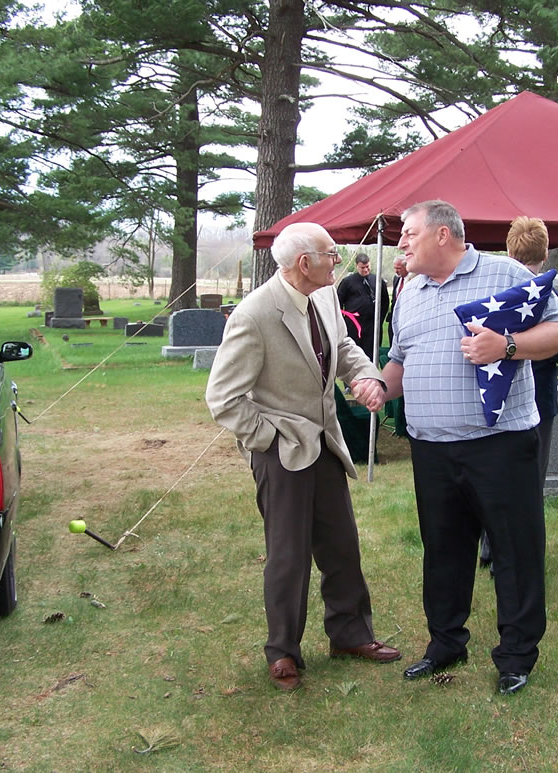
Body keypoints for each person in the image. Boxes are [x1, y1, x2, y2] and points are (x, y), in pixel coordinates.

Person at [381, 200, 558, 695]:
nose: (402, 241)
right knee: (443, 550)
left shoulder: (504, 272)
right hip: (431, 449)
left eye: (409, 231)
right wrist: (377, 389)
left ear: (443, 235)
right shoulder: (410, 292)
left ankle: (516, 656)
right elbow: (400, 360)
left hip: (500, 445)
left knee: (514, 550)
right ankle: (445, 643)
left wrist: (506, 347)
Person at [205, 222, 400, 691]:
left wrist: (366, 377)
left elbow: (345, 346)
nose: (339, 260)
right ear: (303, 264)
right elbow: (222, 398)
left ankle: (350, 635)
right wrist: (270, 438)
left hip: (326, 443)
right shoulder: (255, 315)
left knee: (341, 546)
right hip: (280, 452)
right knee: (289, 557)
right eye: (331, 254)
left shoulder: (326, 296)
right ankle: (283, 653)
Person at [478, 216, 558, 574]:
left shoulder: (492, 291)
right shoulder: (542, 293)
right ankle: (515, 555)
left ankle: (487, 546)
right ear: (544, 253)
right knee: (529, 483)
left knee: (489, 477)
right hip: (535, 400)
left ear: (509, 247)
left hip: (491, 396)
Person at [337, 252, 390, 359]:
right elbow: (338, 302)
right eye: (362, 267)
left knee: (371, 353)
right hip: (353, 325)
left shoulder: (378, 281)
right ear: (357, 266)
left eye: (367, 267)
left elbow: (385, 302)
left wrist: (379, 319)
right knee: (354, 354)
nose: (365, 270)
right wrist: (343, 320)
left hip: (372, 325)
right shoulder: (347, 282)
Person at [388, 256, 409, 343]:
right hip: (394, 320)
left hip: (406, 320)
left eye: (399, 268)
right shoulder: (396, 278)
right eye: (395, 268)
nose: (396, 271)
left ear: (407, 267)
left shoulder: (414, 280)